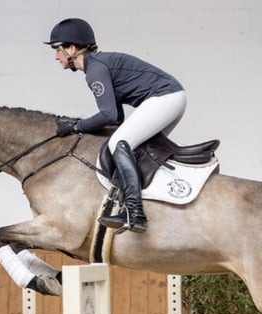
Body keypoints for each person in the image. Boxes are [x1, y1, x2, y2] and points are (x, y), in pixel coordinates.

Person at [44, 18, 187, 233]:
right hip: (171, 98)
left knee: (120, 143)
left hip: (165, 98)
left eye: (57, 49)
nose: (56, 56)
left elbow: (108, 115)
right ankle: (139, 206)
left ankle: (134, 212)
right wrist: (80, 124)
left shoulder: (95, 70)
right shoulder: (98, 66)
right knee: (131, 147)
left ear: (71, 49)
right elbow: (117, 117)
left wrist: (76, 127)